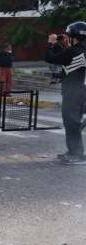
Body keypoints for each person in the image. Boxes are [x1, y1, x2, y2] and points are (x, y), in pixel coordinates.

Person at [46, 22, 86, 165]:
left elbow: (50, 58)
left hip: (73, 92)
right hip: (81, 91)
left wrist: (51, 43)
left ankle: (77, 154)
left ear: (72, 36)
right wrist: (63, 45)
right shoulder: (79, 50)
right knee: (73, 122)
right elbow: (67, 59)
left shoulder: (73, 51)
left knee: (71, 123)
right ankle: (74, 152)